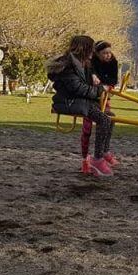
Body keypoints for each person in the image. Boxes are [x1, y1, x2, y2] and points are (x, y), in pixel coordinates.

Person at [47, 36, 116, 177]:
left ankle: (103, 152)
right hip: (70, 102)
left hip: (80, 100)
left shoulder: (82, 63)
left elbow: (87, 78)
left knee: (110, 117)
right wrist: (100, 89)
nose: (93, 52)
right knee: (104, 120)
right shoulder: (69, 66)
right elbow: (78, 88)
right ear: (84, 49)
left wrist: (94, 78)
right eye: (90, 49)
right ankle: (97, 159)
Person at [80, 40, 119, 169]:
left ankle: (104, 151)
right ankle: (86, 158)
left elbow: (114, 80)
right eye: (104, 53)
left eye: (109, 52)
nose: (108, 55)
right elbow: (91, 80)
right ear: (96, 53)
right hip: (90, 98)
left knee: (110, 118)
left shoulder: (113, 62)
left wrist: (102, 82)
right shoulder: (91, 63)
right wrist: (100, 81)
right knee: (87, 128)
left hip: (103, 96)